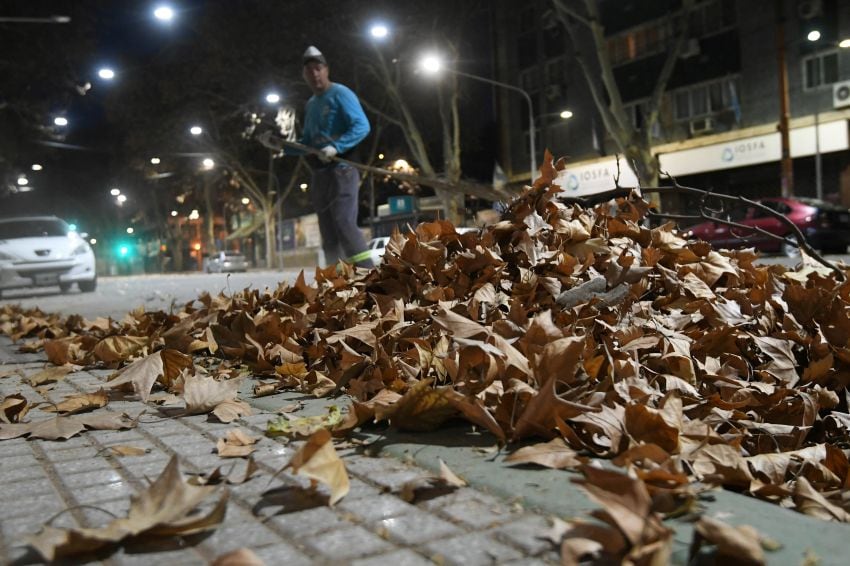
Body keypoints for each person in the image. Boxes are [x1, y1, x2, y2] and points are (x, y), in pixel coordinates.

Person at [298, 45, 373, 268]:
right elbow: (308, 143)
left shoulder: (340, 94)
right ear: (304, 75)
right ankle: (335, 279)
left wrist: (337, 147)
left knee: (343, 221)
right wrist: (282, 146)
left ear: (326, 70)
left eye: (318, 68)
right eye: (309, 70)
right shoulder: (311, 105)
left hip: (343, 169)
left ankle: (368, 272)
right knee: (327, 228)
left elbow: (362, 126)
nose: (314, 74)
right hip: (321, 174)